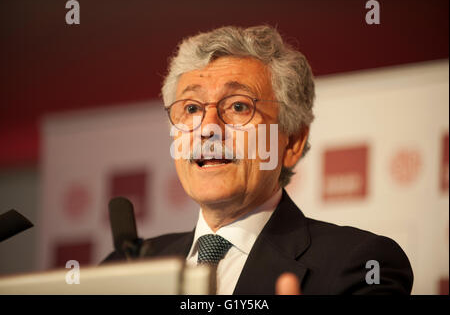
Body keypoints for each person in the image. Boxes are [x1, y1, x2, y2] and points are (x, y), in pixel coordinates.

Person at [103, 25, 413, 294]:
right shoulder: (124, 270)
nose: (208, 128)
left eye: (238, 107)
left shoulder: (361, 264)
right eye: (192, 108)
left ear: (291, 141)